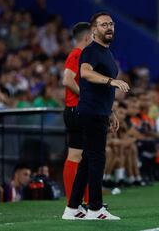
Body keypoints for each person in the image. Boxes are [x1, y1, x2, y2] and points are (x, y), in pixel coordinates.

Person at [62, 12, 129, 220]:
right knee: (97, 159)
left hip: (99, 111)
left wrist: (111, 111)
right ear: (94, 30)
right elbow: (85, 73)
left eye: (111, 24)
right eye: (103, 25)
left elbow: (99, 89)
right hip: (90, 112)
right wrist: (112, 81)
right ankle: (95, 208)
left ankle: (72, 208)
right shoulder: (91, 51)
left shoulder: (106, 53)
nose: (109, 27)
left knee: (87, 160)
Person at [62, 22, 91, 206]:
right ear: (87, 37)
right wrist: (85, 95)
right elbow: (67, 79)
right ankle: (74, 202)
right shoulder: (77, 54)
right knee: (76, 156)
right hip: (76, 110)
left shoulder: (79, 54)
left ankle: (84, 202)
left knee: (82, 156)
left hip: (76, 110)